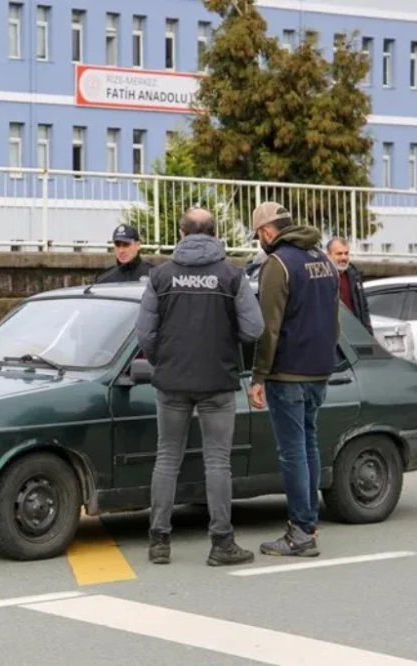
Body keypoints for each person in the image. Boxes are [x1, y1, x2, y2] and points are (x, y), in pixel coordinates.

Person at [135, 208, 264, 566]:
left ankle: (159, 541)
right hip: (217, 380)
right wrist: (226, 342)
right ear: (215, 233)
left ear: (181, 233)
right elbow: (254, 329)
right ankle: (221, 543)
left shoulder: (160, 276)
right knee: (218, 462)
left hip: (171, 381)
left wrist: (163, 359)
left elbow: (144, 332)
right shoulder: (232, 276)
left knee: (167, 458)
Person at [248, 202, 340, 557]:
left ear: (268, 231)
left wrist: (259, 376)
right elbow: (334, 318)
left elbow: (268, 328)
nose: (260, 241)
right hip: (319, 369)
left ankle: (300, 532)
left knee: (292, 452)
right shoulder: (322, 259)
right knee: (309, 444)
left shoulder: (278, 263)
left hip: (287, 373)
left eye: (258, 235)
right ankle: (309, 523)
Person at [326, 237, 372, 333]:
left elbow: (364, 308)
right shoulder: (323, 278)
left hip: (355, 335)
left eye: (346, 253)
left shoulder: (354, 277)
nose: (344, 257)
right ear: (328, 255)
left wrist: (368, 333)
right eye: (339, 254)